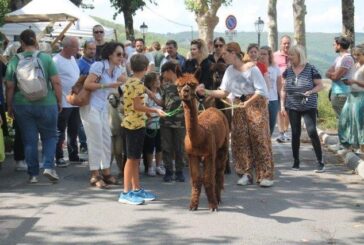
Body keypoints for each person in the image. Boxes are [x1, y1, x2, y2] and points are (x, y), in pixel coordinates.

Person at [196, 42, 274, 187]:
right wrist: (205, 91)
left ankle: (266, 175)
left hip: (255, 105)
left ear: (233, 53)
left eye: (225, 53)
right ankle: (246, 173)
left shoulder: (252, 69)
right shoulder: (229, 71)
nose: (222, 56)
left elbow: (261, 90)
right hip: (239, 105)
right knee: (240, 139)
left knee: (259, 138)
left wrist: (248, 102)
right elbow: (223, 92)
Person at [5, 29, 62, 183]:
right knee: (50, 136)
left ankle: (33, 174)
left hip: (22, 104)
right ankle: (49, 167)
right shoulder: (46, 58)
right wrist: (59, 100)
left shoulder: (14, 61)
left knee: (29, 140)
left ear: (22, 43)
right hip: (46, 102)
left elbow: (10, 86)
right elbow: (56, 82)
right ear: (36, 41)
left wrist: (9, 106)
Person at [118, 54, 166, 205]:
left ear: (131, 68)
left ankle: (136, 189)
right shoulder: (137, 85)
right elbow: (137, 106)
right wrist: (155, 111)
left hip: (135, 124)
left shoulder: (131, 81)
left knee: (135, 159)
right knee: (132, 159)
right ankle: (126, 192)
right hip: (134, 126)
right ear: (146, 69)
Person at [81, 42, 126, 188]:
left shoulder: (117, 69)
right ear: (110, 55)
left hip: (102, 108)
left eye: (123, 54)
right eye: (118, 54)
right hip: (91, 107)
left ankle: (106, 173)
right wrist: (107, 86)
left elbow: (129, 81)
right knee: (95, 141)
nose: (121, 57)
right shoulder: (99, 66)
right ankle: (95, 175)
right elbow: (87, 85)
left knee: (106, 140)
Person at [280, 45, 324, 172]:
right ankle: (296, 161)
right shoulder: (287, 71)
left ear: (299, 55)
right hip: (292, 105)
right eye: (289, 55)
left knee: (311, 131)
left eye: (292, 55)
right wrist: (282, 105)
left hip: (308, 104)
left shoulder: (311, 69)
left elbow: (320, 85)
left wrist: (310, 92)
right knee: (295, 133)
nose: (289, 57)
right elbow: (283, 89)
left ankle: (320, 161)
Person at [53, 36, 83, 167]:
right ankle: (58, 156)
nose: (78, 49)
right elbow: (53, 81)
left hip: (74, 101)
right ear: (68, 47)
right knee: (60, 130)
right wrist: (58, 99)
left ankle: (73, 155)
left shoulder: (72, 58)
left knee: (73, 130)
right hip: (63, 102)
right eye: (76, 46)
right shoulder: (56, 60)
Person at [326, 36, 355, 151]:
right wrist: (331, 74)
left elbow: (335, 76)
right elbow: (328, 72)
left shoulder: (346, 59)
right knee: (341, 119)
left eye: (335, 44)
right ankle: (344, 143)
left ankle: (345, 144)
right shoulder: (338, 59)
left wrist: (332, 75)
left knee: (344, 119)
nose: (333, 46)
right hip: (336, 92)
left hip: (343, 93)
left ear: (339, 45)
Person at [338, 43, 364, 154]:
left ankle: (361, 148)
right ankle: (348, 144)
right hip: (352, 95)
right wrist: (348, 81)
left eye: (358, 55)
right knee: (345, 119)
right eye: (355, 55)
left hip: (361, 95)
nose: (356, 57)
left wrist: (354, 81)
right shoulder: (356, 65)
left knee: (360, 122)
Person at [143, 72, 165, 176]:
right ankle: (150, 167)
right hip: (151, 124)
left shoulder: (161, 93)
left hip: (160, 124)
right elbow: (146, 108)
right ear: (150, 82)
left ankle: (158, 166)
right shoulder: (146, 95)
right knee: (150, 147)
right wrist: (149, 117)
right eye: (156, 80)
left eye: (158, 80)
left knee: (159, 146)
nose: (158, 82)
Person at [260, 46, 282, 135]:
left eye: (264, 54)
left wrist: (280, 100)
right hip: (260, 99)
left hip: (273, 100)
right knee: (260, 125)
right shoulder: (256, 67)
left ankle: (268, 144)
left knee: (271, 125)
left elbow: (279, 84)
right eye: (260, 54)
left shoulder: (275, 68)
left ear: (269, 56)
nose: (262, 56)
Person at [274, 35, 292, 143]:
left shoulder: (293, 55)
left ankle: (286, 131)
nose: (286, 45)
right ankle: (281, 132)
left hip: (290, 87)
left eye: (288, 43)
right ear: (281, 44)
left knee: (288, 110)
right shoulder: (275, 56)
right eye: (284, 43)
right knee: (280, 110)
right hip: (278, 86)